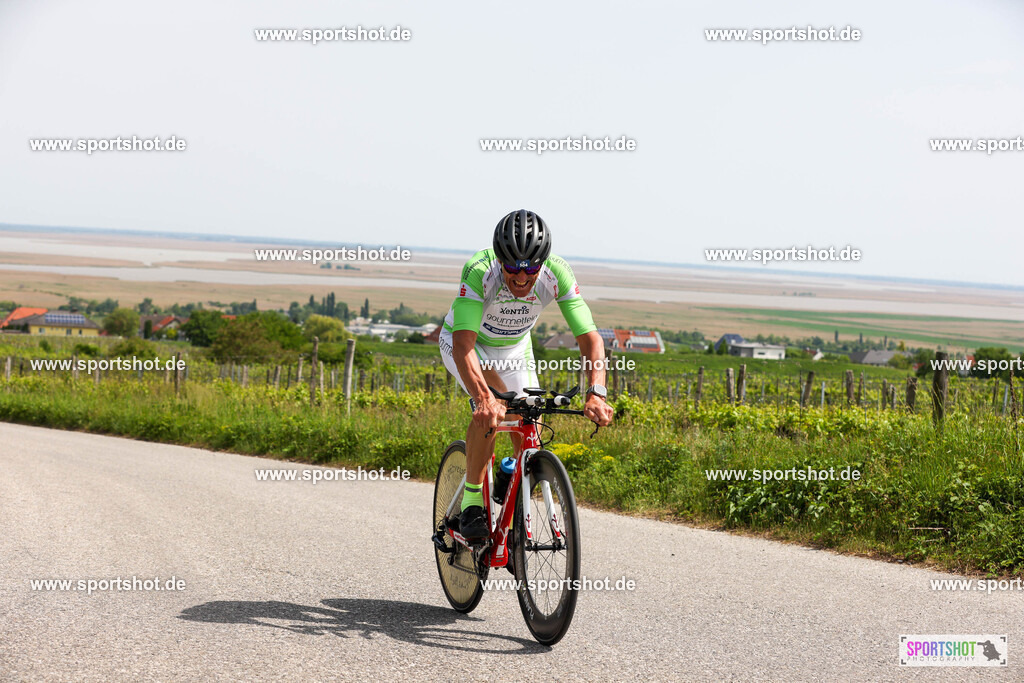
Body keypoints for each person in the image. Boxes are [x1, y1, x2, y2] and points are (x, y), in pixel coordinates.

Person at [438, 209, 614, 542]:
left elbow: (591, 340)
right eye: (513, 270)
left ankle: (511, 496)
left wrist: (597, 392)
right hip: (467, 346)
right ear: (499, 260)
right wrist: (483, 398)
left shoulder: (557, 273)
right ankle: (474, 502)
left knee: (526, 426)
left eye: (531, 270)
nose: (521, 279)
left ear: (543, 263)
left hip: (516, 350)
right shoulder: (480, 271)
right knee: (493, 410)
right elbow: (464, 344)